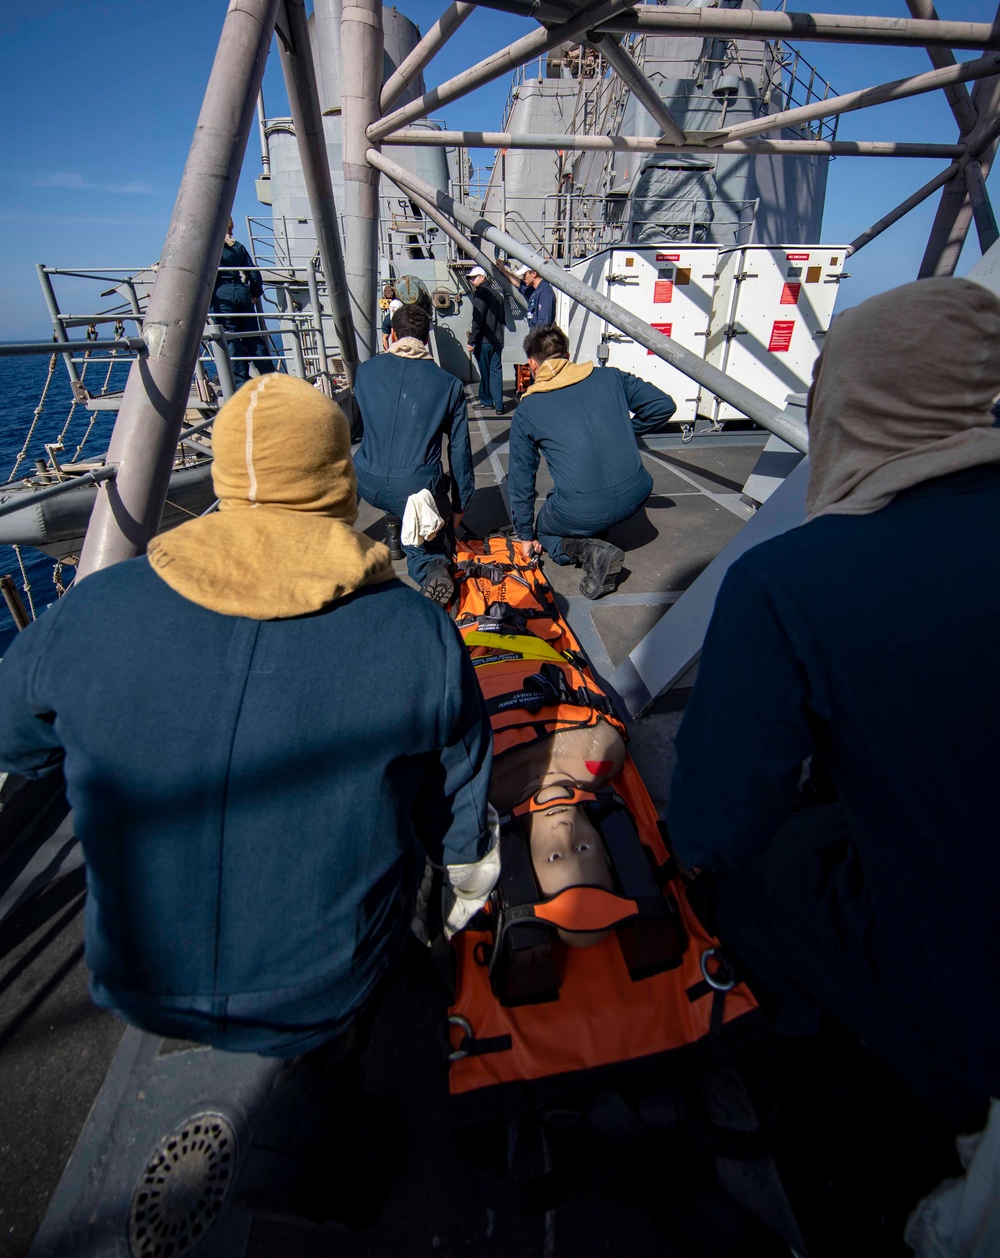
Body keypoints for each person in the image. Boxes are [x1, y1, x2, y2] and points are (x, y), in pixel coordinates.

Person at [0, 373, 496, 1224]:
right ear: (338, 475)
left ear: (227, 475)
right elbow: (459, 825)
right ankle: (337, 1143)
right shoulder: (416, 633)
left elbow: (21, 745)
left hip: (133, 974)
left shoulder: (93, 612)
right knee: (357, 1016)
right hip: (322, 986)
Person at [668, 277, 1000, 1128]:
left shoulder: (790, 584)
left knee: (752, 874)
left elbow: (715, 826)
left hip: (972, 1035)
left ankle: (783, 1073)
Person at [507, 324, 676, 599]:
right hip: (638, 492)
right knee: (568, 496)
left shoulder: (528, 409)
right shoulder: (611, 377)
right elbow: (663, 405)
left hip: (582, 510)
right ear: (568, 354)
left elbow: (521, 480)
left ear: (532, 364)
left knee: (545, 531)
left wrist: (526, 536)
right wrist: (621, 431)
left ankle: (590, 552)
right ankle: (596, 530)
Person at [353, 302, 474, 605]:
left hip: (366, 481)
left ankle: (395, 537)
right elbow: (459, 450)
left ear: (393, 334)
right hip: (414, 490)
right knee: (433, 537)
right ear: (426, 336)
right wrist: (459, 506)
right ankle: (429, 564)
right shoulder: (449, 384)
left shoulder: (365, 373)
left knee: (393, 476)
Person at [211, 218, 276, 388]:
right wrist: (254, 293)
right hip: (241, 292)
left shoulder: (210, 247)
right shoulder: (237, 246)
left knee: (230, 340)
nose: (232, 232)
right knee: (253, 338)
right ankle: (271, 377)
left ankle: (238, 383)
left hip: (221, 295)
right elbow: (253, 273)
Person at [466, 265, 506, 415]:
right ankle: (499, 405)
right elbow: (502, 319)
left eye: (474, 277)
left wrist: (471, 340)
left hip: (484, 341)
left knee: (485, 371)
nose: (471, 280)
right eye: (471, 278)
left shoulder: (479, 295)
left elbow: (477, 320)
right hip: (498, 339)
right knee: (496, 371)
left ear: (482, 277)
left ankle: (487, 401)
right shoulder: (498, 295)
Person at [496, 258, 556, 331]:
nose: (523, 278)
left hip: (540, 339)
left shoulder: (544, 293)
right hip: (536, 337)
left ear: (534, 273)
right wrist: (503, 270)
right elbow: (520, 285)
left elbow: (543, 324)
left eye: (524, 275)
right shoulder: (535, 291)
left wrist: (536, 341)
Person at [380, 282, 402, 351]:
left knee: (384, 336)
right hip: (400, 317)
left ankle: (387, 351)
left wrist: (386, 351)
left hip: (390, 319)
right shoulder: (399, 303)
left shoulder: (387, 319)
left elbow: (384, 337)